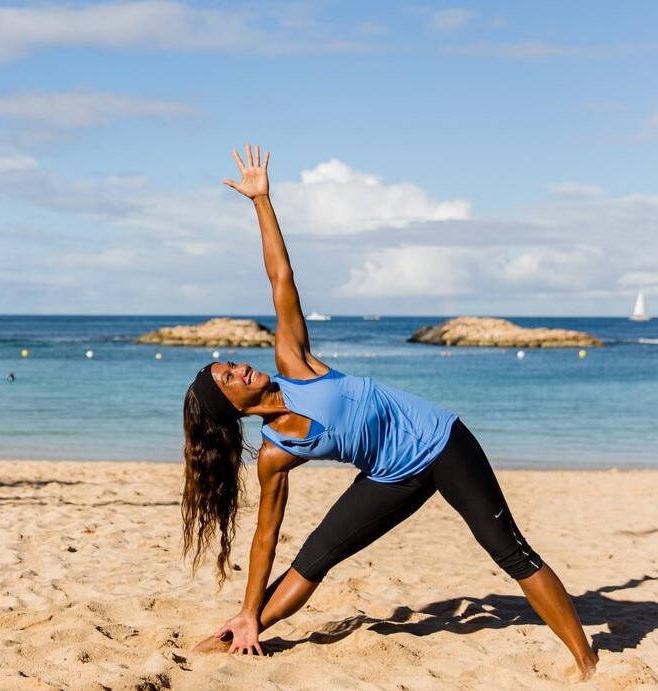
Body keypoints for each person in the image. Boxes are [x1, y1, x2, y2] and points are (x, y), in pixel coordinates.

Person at [181, 144, 598, 681]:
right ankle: (242, 629)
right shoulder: (276, 453)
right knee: (313, 558)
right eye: (227, 377)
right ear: (231, 408)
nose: (238, 367)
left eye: (231, 362)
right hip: (389, 477)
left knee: (509, 551)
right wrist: (248, 605)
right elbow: (266, 535)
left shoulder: (295, 362)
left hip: (443, 443)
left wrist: (262, 201)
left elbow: (280, 277)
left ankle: (587, 663)